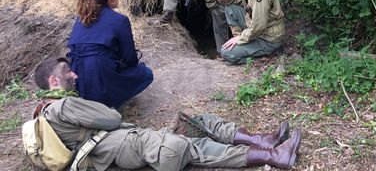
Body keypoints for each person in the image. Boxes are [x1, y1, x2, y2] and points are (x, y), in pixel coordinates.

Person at [31, 57, 301, 170]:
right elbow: (111, 118)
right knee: (181, 145)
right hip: (119, 148)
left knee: (199, 121)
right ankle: (273, 156)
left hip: (124, 141)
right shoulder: (64, 106)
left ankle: (261, 140)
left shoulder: (48, 109)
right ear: (53, 82)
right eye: (68, 73)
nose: (74, 75)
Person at [67, 0, 153, 109]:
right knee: (147, 74)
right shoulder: (120, 20)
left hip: (77, 82)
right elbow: (130, 59)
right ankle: (109, 106)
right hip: (101, 76)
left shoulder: (80, 18)